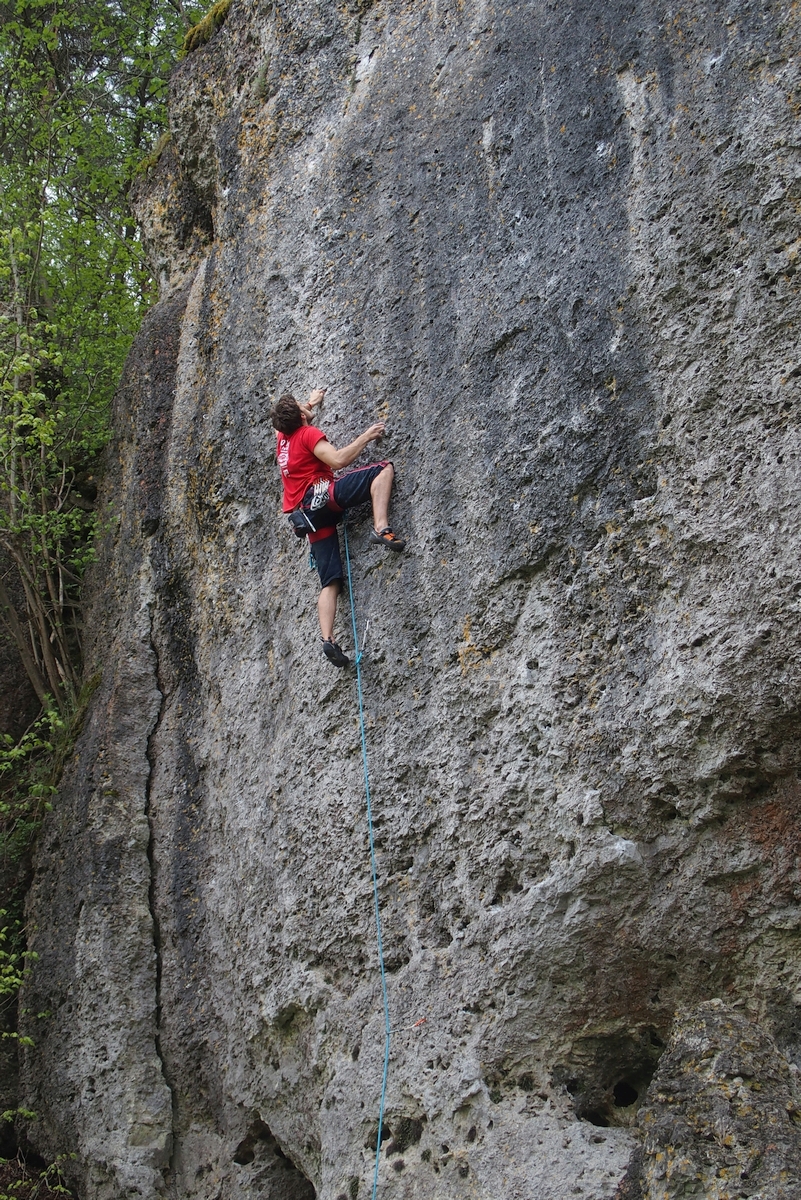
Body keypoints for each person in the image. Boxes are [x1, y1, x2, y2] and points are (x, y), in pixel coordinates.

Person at [272, 388, 405, 667]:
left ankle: (328, 639)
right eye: (300, 407)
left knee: (330, 580)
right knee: (383, 469)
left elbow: (292, 418)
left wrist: (309, 403)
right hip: (323, 498)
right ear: (300, 418)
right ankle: (381, 528)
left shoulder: (281, 439)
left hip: (308, 518)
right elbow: (338, 460)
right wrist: (367, 436)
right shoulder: (307, 435)